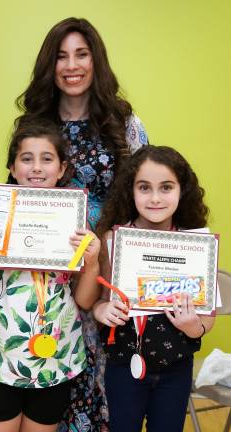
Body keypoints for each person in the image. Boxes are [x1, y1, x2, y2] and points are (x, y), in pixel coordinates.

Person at [15, 17, 149, 430]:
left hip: (107, 273)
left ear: (96, 61)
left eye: (81, 54)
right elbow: (19, 199)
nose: (71, 65)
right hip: (50, 282)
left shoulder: (126, 125)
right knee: (53, 379)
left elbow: (146, 196)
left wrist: (109, 254)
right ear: (49, 66)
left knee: (106, 386)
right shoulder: (35, 126)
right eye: (61, 56)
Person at [0, 123, 101, 432]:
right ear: (12, 166)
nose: (36, 167)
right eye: (26, 158)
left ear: (62, 167)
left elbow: (85, 300)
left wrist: (92, 263)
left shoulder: (76, 223)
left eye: (47, 159)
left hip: (56, 352)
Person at [93, 145, 215, 431]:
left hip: (177, 368)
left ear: (181, 190)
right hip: (125, 365)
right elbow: (100, 300)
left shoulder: (197, 244)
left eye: (166, 187)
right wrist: (103, 312)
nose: (156, 198)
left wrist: (192, 326)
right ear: (130, 191)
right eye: (144, 188)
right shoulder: (113, 240)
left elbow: (207, 319)